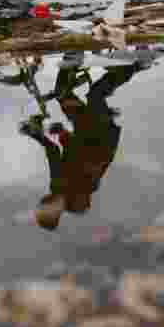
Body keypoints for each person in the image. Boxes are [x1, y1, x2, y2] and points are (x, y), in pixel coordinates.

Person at [19, 56, 143, 231]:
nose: (44, 201)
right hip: (102, 135)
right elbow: (86, 157)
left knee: (62, 93)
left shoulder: (56, 186)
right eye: (46, 207)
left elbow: (54, 152)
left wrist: (37, 134)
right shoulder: (79, 193)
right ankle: (136, 65)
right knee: (95, 95)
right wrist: (62, 133)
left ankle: (72, 60)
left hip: (84, 130)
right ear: (56, 212)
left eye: (41, 204)